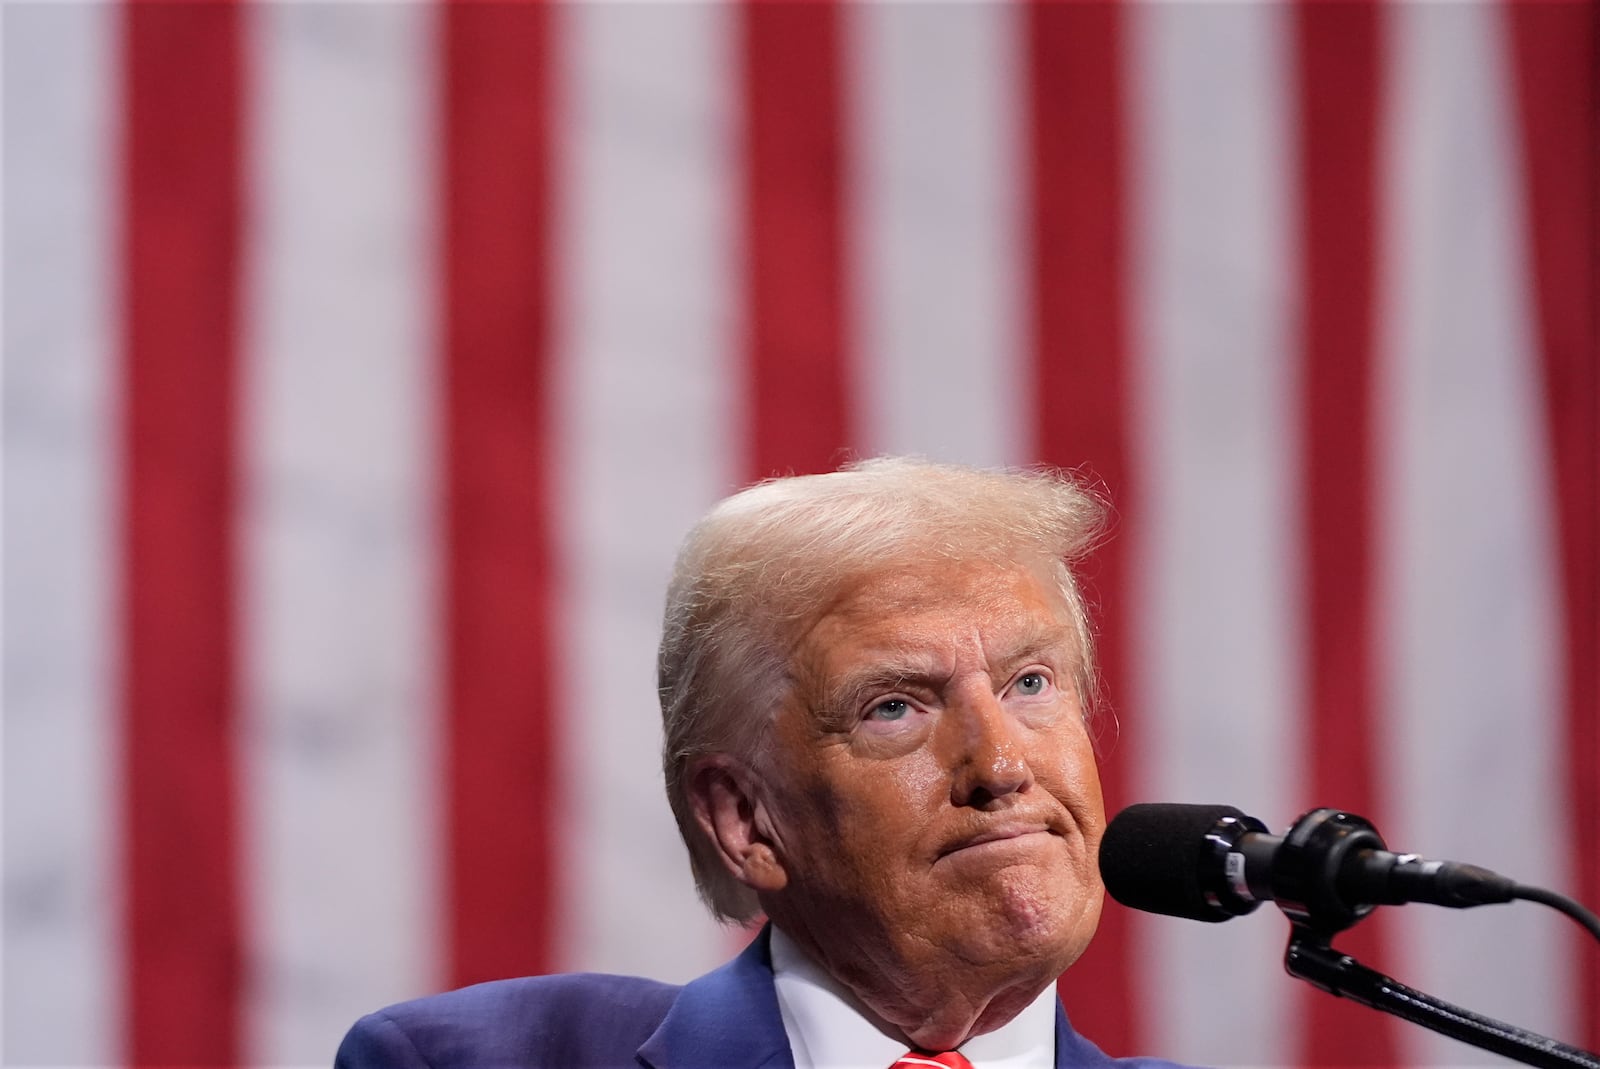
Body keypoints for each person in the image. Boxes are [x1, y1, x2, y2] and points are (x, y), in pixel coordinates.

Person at [336, 457, 1194, 1069]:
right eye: (893, 705)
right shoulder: (473, 1059)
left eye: (1030, 682)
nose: (1001, 763)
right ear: (746, 820)